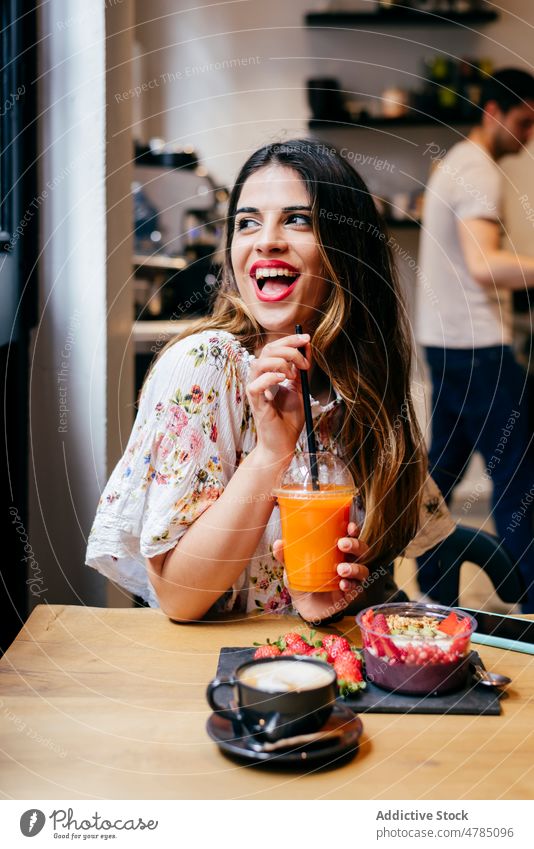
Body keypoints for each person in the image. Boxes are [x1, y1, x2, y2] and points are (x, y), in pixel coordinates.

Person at [86, 139, 454, 623]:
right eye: (247, 222)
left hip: (322, 672)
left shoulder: (360, 382)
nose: (266, 240)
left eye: (297, 219)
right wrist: (271, 452)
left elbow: (381, 569)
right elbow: (178, 597)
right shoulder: (205, 366)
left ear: (346, 251)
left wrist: (338, 596)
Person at [415, 69, 534, 610]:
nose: (528, 136)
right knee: (519, 475)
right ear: (493, 112)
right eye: (524, 122)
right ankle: (532, 601)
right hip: (478, 347)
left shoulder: (455, 165)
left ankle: (432, 590)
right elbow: (485, 264)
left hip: (445, 343)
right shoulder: (478, 169)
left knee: (443, 471)